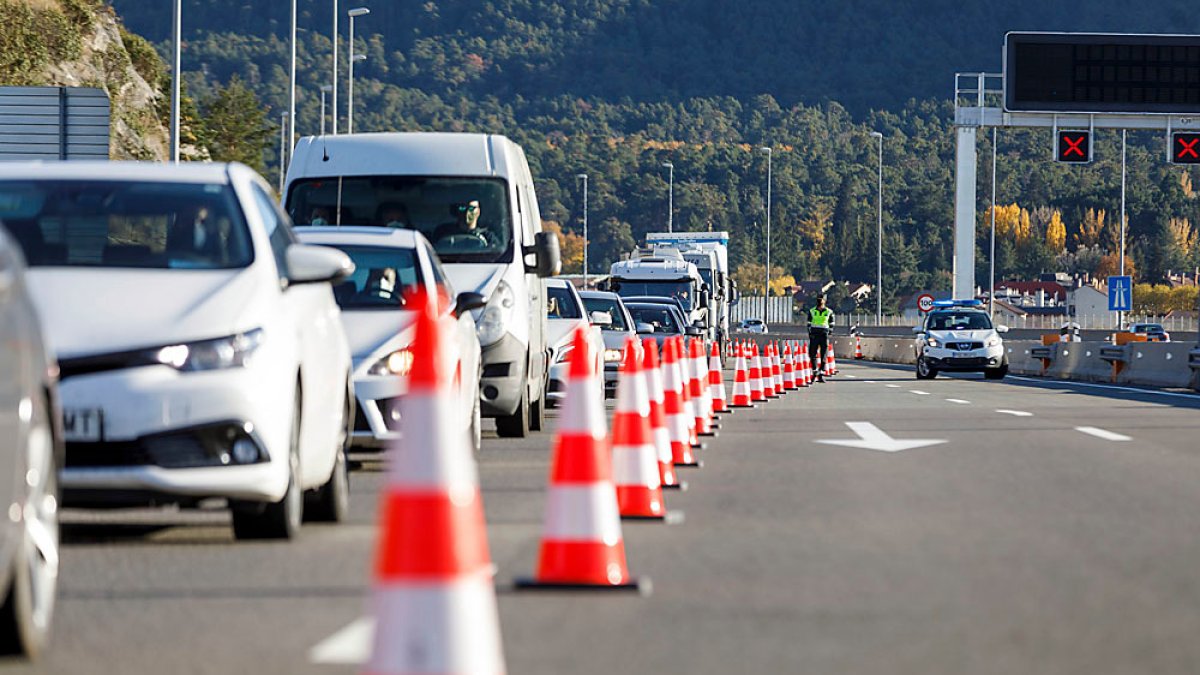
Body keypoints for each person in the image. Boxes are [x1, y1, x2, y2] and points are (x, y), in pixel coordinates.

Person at [807, 295, 834, 383]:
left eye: (821, 300)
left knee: (823, 354)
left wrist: (829, 332)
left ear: (824, 301)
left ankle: (820, 374)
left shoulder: (829, 311)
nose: (820, 302)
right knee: (812, 353)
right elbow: (809, 323)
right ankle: (815, 371)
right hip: (815, 333)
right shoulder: (812, 311)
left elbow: (832, 323)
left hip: (823, 334)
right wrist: (810, 333)